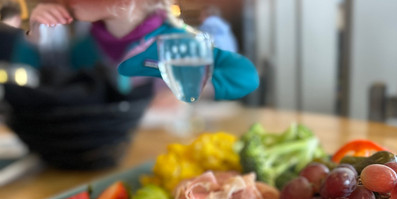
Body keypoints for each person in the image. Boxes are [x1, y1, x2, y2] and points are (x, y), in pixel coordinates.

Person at [20, 0, 258, 101]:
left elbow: (246, 76)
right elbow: (35, 84)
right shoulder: (84, 48)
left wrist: (188, 92)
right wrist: (37, 33)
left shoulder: (178, 42)